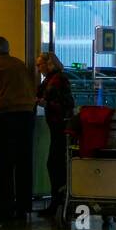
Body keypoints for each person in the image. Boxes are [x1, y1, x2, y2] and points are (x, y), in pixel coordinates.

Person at [0, 36, 38, 225]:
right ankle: (23, 208)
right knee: (24, 162)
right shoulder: (20, 65)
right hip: (27, 116)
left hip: (4, 117)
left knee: (5, 164)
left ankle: (6, 209)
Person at [36, 51, 75, 221]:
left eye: (39, 65)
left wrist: (46, 103)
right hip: (59, 126)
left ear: (48, 63)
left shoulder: (56, 80)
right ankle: (59, 201)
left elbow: (63, 103)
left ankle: (58, 202)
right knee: (57, 164)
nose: (38, 68)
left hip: (60, 127)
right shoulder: (56, 78)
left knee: (54, 164)